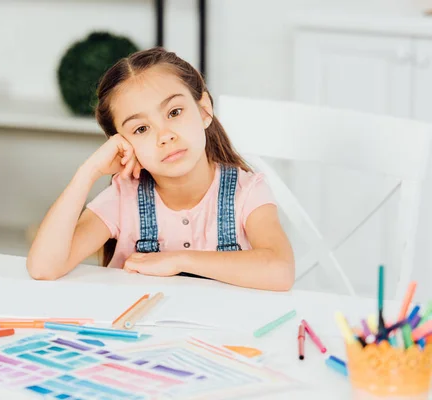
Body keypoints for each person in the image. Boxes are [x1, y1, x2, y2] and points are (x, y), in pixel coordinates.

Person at [27, 47, 294, 291]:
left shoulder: (247, 192)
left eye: (174, 112)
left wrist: (179, 261)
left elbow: (280, 271)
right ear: (123, 145)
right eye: (141, 129)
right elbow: (44, 268)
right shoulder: (123, 198)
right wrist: (88, 172)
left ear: (204, 111)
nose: (164, 136)